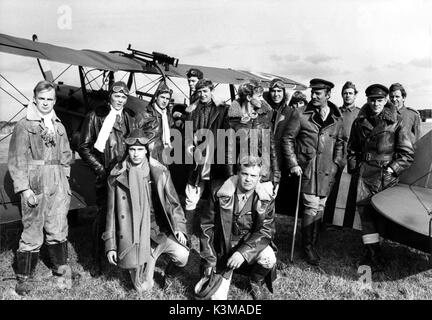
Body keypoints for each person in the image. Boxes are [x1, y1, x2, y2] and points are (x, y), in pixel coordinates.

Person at [104, 129, 189, 292]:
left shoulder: (159, 172)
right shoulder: (117, 176)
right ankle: (138, 266)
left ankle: (169, 275)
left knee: (183, 255)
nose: (136, 154)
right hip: (135, 239)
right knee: (143, 288)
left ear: (146, 151)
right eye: (132, 149)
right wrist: (111, 246)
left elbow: (173, 203)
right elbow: (111, 215)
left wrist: (179, 228)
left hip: (159, 233)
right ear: (127, 150)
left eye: (140, 149)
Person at [8, 80, 73, 295]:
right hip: (35, 182)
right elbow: (17, 160)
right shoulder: (24, 125)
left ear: (55, 100)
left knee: (58, 226)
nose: (45, 103)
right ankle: (24, 277)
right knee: (32, 229)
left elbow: (66, 157)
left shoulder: (59, 126)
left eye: (50, 99)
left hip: (58, 183)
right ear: (35, 98)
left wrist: (65, 183)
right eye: (42, 98)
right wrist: (25, 189)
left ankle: (61, 269)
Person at [347, 84, 414, 271]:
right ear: (367, 100)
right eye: (371, 99)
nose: (375, 103)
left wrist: (393, 169)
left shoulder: (396, 122)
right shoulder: (359, 122)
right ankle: (372, 253)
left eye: (379, 100)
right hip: (365, 175)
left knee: (381, 217)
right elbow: (352, 148)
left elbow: (407, 154)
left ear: (385, 101)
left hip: (386, 177)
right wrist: (355, 167)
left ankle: (380, 251)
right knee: (366, 217)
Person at [282, 78, 345, 266]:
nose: (314, 96)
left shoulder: (337, 118)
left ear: (328, 95)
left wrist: (337, 164)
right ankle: (307, 247)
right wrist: (294, 163)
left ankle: (314, 242)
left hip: (328, 171)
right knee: (310, 206)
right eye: (313, 93)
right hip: (308, 170)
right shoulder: (300, 114)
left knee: (320, 207)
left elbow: (341, 143)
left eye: (318, 93)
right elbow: (287, 139)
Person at [199, 156, 277, 300]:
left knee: (269, 258)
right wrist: (210, 260)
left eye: (253, 175)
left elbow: (266, 231)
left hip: (248, 246)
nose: (248, 179)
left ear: (259, 177)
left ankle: (254, 280)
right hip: (222, 251)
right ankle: (221, 274)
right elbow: (206, 228)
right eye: (245, 174)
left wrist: (243, 252)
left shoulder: (266, 199)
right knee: (216, 300)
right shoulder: (218, 191)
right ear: (237, 173)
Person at [78, 81, 135, 275]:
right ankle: (97, 259)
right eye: (117, 96)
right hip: (106, 176)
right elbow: (83, 147)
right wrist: (101, 170)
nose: (120, 100)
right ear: (110, 96)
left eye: (124, 97)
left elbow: (134, 144)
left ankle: (122, 254)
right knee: (104, 217)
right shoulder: (95, 116)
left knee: (124, 215)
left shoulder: (128, 118)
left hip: (125, 175)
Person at [183, 78, 228, 218]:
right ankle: (187, 229)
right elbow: (188, 133)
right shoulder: (191, 110)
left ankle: (214, 229)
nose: (202, 94)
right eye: (199, 91)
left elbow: (226, 133)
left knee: (218, 192)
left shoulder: (222, 109)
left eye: (205, 91)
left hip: (216, 155)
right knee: (192, 192)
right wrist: (189, 145)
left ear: (211, 91)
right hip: (197, 156)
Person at [224, 81, 280, 190]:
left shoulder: (265, 116)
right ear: (249, 97)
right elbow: (228, 151)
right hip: (243, 172)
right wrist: (230, 175)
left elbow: (271, 146)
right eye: (259, 96)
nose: (262, 99)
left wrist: (276, 172)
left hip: (263, 171)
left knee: (261, 204)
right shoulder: (233, 119)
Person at [135, 82, 174, 165]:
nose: (165, 101)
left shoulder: (167, 116)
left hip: (164, 155)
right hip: (148, 156)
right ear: (156, 97)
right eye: (162, 97)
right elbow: (135, 136)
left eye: (167, 99)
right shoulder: (145, 114)